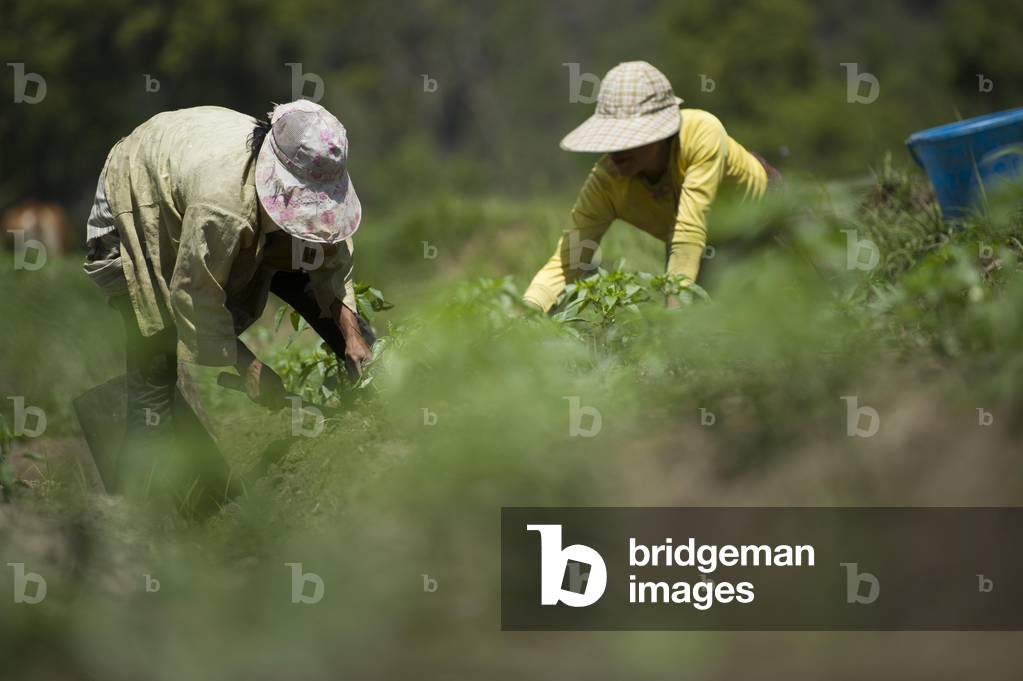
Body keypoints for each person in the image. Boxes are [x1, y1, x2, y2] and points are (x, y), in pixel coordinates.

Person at [82, 100, 374, 494]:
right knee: (156, 362)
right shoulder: (222, 208)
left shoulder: (309, 171)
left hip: (188, 170)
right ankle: (139, 515)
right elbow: (193, 299)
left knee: (305, 271)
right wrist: (249, 367)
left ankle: (368, 394)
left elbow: (331, 259)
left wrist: (353, 336)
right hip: (135, 198)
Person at [523, 61, 781, 311]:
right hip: (702, 249)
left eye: (627, 137)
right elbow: (569, 258)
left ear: (660, 133)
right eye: (611, 137)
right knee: (714, 337)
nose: (615, 149)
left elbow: (689, 230)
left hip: (767, 216)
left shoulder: (701, 133)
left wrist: (673, 317)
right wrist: (526, 313)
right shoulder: (607, 182)